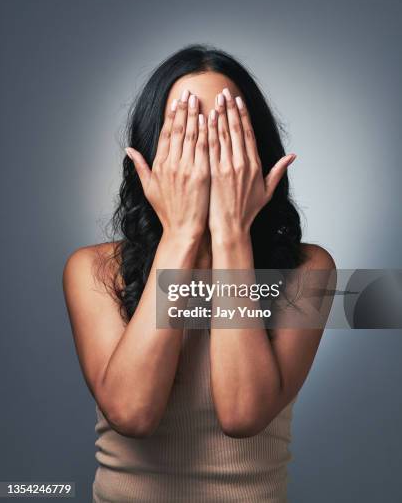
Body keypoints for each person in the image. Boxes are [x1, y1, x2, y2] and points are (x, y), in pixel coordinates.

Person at [62, 44, 336, 502]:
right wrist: (182, 234)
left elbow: (242, 416)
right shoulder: (93, 268)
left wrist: (230, 233)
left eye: (225, 129)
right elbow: (132, 415)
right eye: (184, 129)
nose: (206, 150)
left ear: (257, 147)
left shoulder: (310, 270)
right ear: (150, 153)